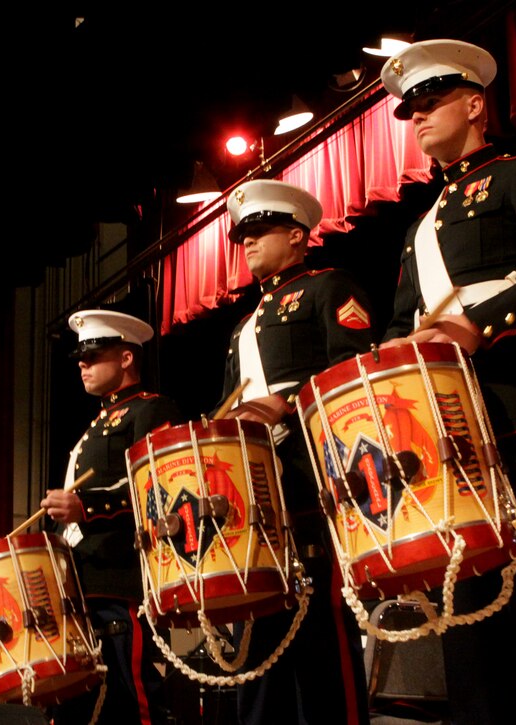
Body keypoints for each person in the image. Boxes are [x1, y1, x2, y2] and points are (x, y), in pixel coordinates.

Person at [377, 40, 516, 724]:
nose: (416, 117)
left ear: (475, 104)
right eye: (409, 110)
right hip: (445, 429)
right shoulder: (420, 227)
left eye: (429, 102)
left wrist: (481, 326)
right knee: (464, 607)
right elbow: (396, 326)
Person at [220, 179, 373, 724]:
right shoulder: (244, 327)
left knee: (322, 648)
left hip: (313, 486)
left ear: (296, 235)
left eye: (260, 232)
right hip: (262, 503)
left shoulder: (328, 288)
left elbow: (354, 373)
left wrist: (288, 403)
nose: (249, 243)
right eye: (244, 236)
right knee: (260, 661)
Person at [39, 309, 184, 724]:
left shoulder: (151, 411)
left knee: (133, 701)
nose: (82, 364)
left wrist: (87, 506)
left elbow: (157, 486)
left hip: (122, 579)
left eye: (94, 355)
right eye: (82, 358)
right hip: (83, 584)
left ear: (125, 358)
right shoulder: (95, 426)